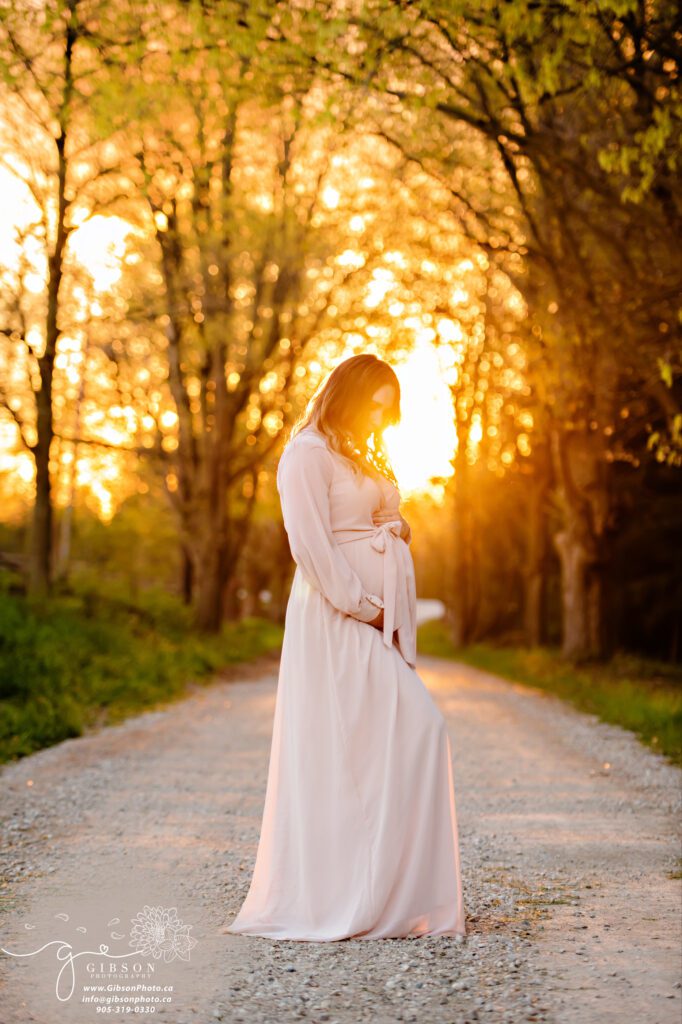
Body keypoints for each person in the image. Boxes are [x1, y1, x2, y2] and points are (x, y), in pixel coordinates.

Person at [224, 353, 466, 941]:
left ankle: (392, 893)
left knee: (395, 740)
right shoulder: (305, 453)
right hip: (337, 615)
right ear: (350, 395)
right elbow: (310, 547)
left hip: (375, 617)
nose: (381, 421)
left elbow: (378, 513)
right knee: (391, 735)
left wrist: (397, 529)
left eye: (389, 412)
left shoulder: (355, 449)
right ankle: (348, 896)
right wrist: (365, 604)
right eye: (376, 407)